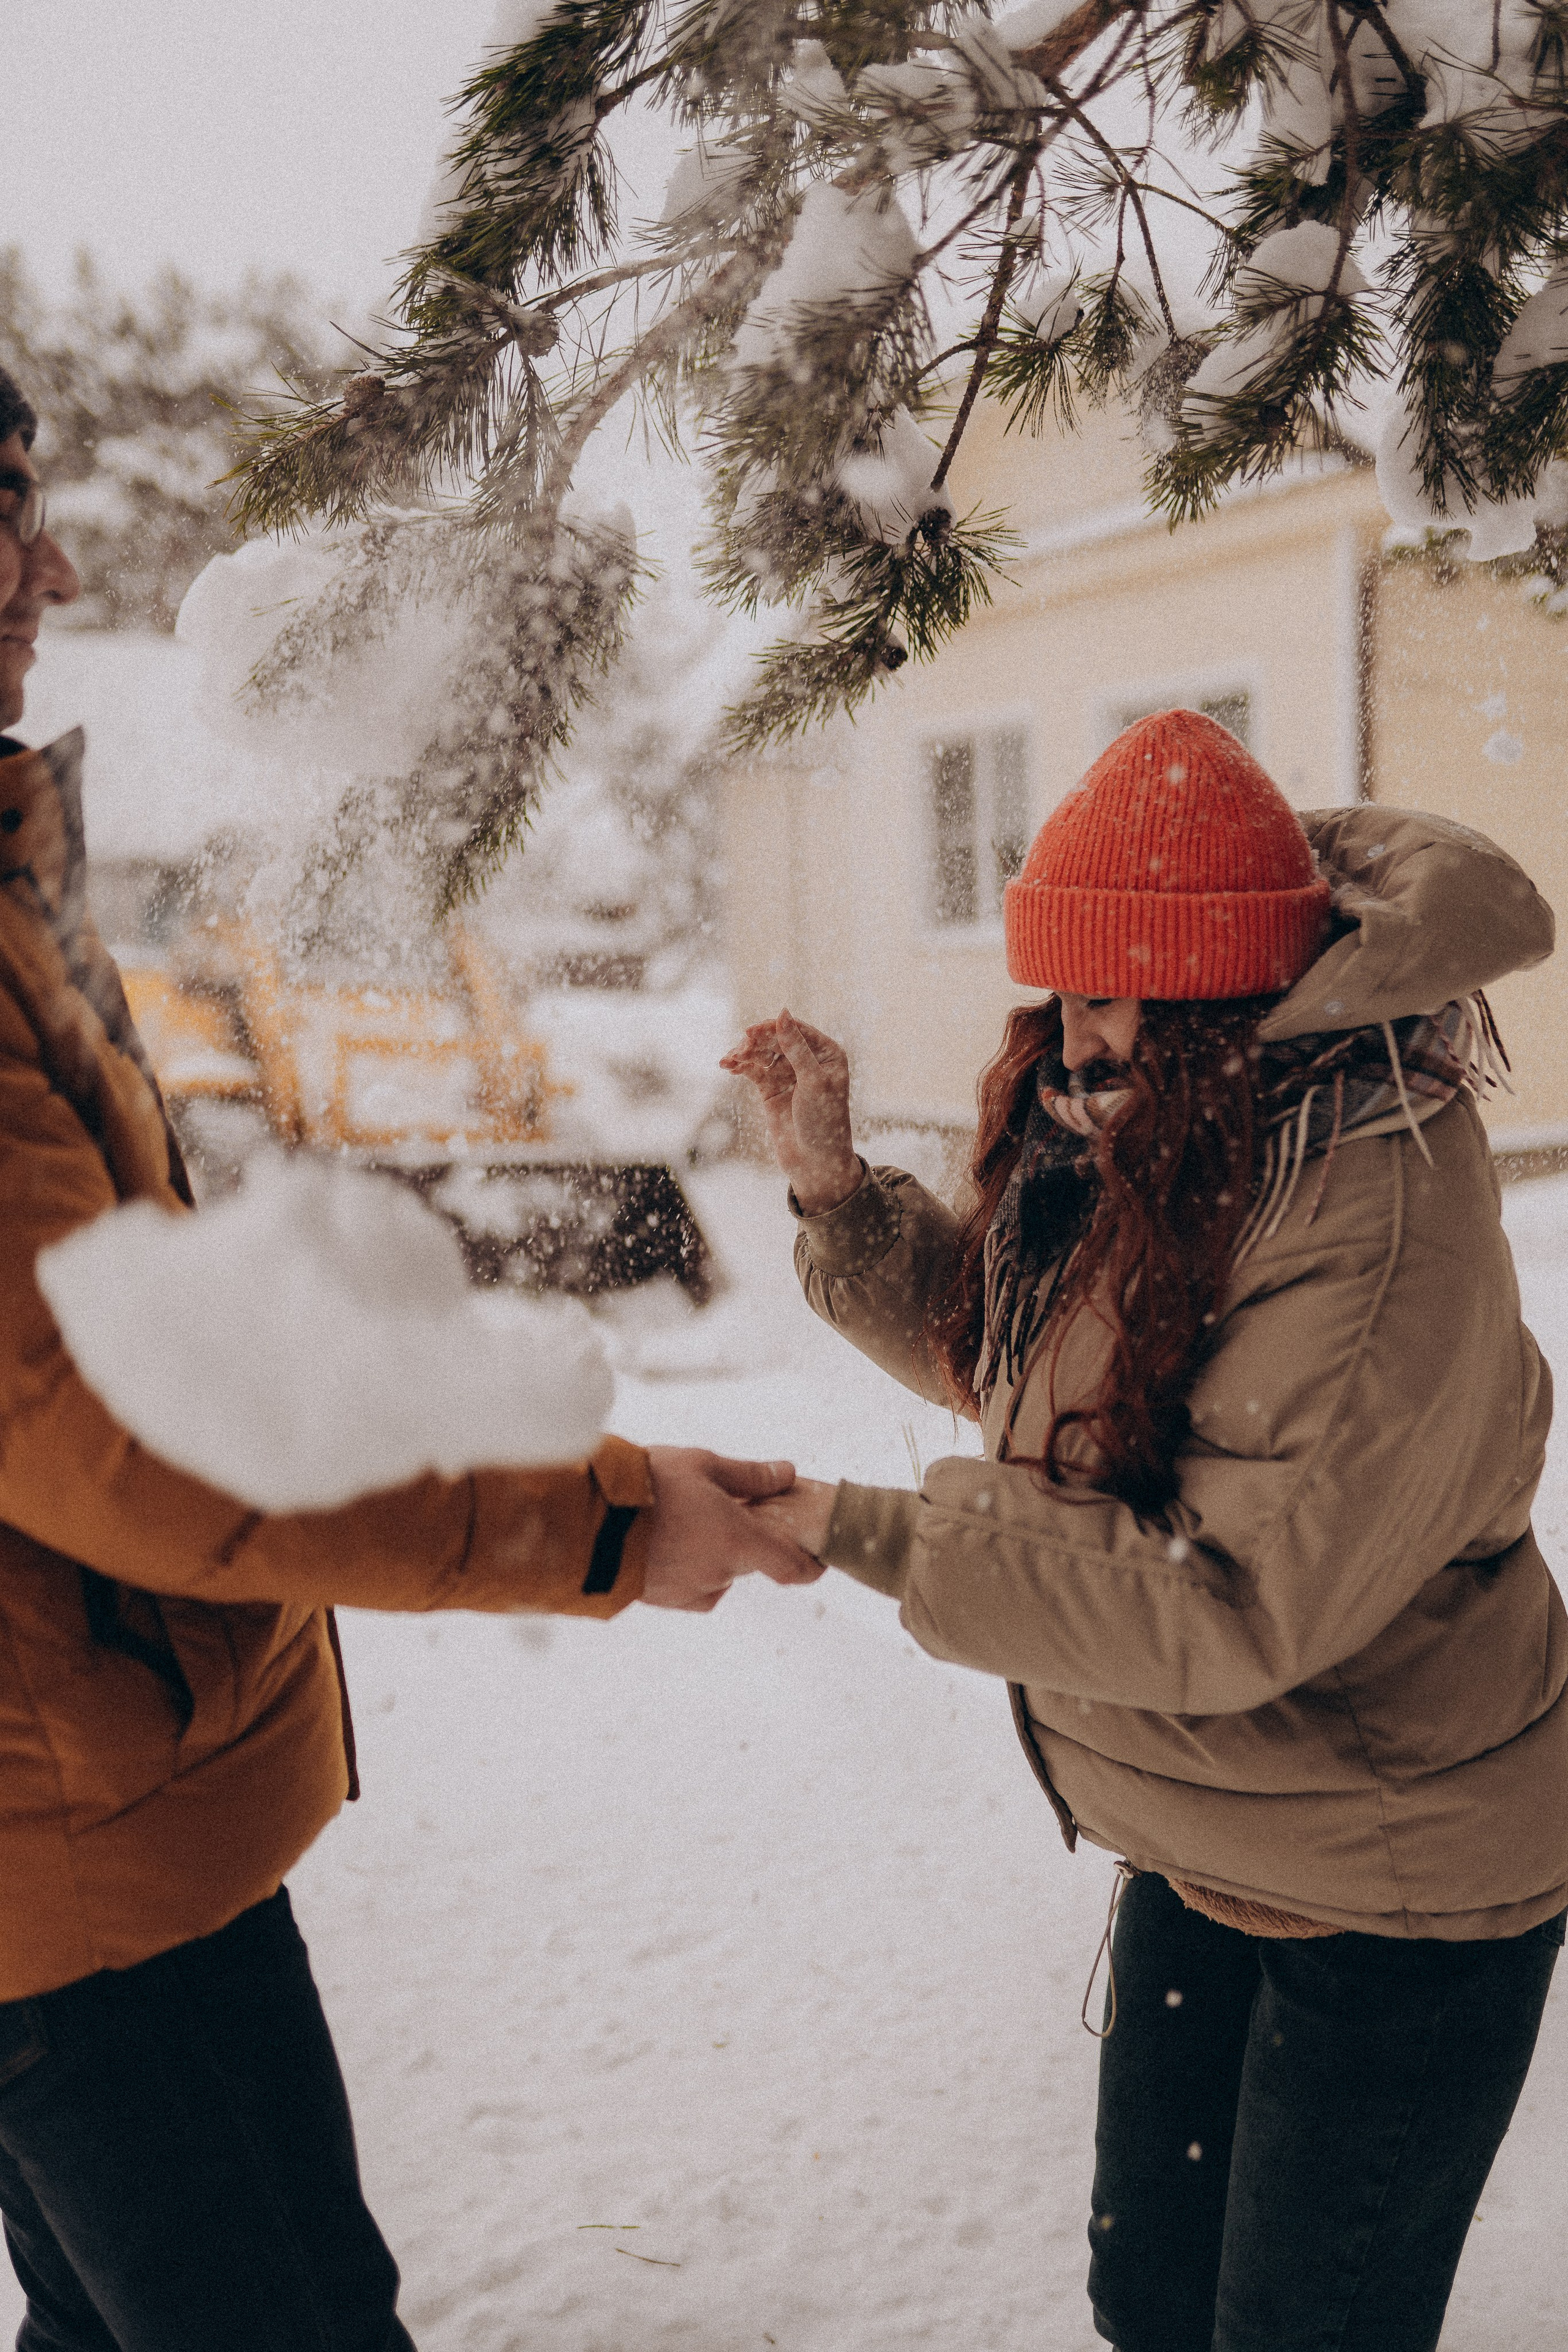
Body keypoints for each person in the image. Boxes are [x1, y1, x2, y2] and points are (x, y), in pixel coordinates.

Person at [0, 362, 819, 2352]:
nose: (53, 556)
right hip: (73, 1845)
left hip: (85, 1809)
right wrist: (613, 1526)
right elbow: (138, 1444)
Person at [725, 706, 1568, 2352]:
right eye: (1063, 988)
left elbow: (1218, 1603)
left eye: (1121, 992)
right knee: (1152, 2301)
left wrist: (863, 1529)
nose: (1077, 1035)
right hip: (1211, 1838)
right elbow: (1037, 1370)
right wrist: (838, 1196)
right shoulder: (1180, 1123)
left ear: (1232, 984)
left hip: (1394, 1885)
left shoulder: (1369, 1218)